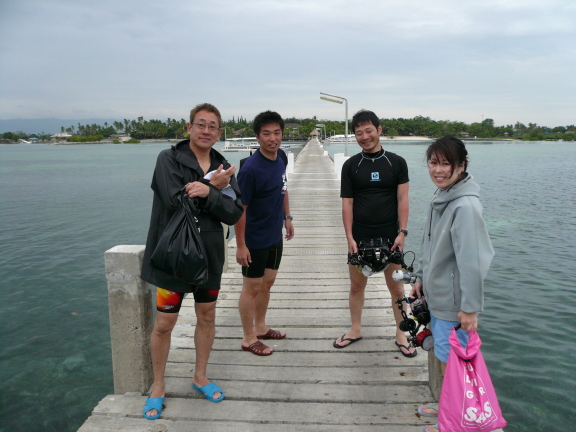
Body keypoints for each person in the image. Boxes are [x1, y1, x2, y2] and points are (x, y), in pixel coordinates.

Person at [140, 103, 243, 420]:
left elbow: (234, 212)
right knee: (164, 323)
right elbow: (175, 202)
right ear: (189, 128)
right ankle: (158, 385)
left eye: (213, 126)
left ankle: (200, 376)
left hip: (209, 256)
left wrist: (208, 191)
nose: (206, 131)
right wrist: (213, 189)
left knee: (207, 316)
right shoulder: (168, 159)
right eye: (201, 124)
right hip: (173, 256)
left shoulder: (224, 167)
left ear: (219, 132)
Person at [410, 135, 494, 432]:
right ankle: (448, 406)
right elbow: (430, 243)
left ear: (461, 165)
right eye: (433, 163)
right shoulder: (442, 195)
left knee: (454, 364)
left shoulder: (465, 206)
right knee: (445, 356)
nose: (438, 170)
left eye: (446, 164)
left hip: (454, 304)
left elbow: (473, 261)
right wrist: (421, 277)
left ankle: (455, 421)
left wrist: (470, 308)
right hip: (438, 296)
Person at [334, 109, 415, 357]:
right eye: (359, 133)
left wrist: (402, 232)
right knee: (356, 286)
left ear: (379, 130)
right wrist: (349, 237)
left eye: (368, 131)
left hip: (391, 236)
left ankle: (401, 333)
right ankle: (355, 329)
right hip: (360, 236)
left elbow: (403, 199)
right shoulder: (351, 165)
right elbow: (347, 203)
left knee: (397, 289)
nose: (364, 137)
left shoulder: (396, 162)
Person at [235, 110, 294, 356]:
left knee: (267, 283)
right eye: (266, 134)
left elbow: (283, 186)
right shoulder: (250, 170)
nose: (273, 138)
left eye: (277, 133)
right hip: (254, 238)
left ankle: (260, 326)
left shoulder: (281, 157)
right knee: (252, 288)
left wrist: (287, 217)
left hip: (274, 235)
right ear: (257, 137)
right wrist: (241, 246)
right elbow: (240, 210)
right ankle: (248, 337)